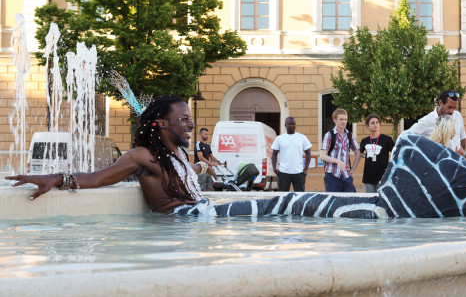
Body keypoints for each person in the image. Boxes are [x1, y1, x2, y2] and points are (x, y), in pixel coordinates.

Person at [7, 95, 219, 213]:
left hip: (200, 215)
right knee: (252, 209)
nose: (191, 124)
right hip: (185, 218)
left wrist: (204, 168)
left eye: (189, 118)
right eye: (184, 119)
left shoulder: (177, 155)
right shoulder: (142, 155)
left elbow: (187, 169)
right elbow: (98, 177)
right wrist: (56, 178)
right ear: (162, 123)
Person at [401, 90, 466, 156]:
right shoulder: (427, 121)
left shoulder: (457, 116)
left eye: (454, 108)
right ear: (440, 103)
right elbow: (404, 136)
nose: (452, 111)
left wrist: (462, 156)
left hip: (456, 163)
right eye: (449, 107)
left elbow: (463, 138)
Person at [320, 108, 361, 192]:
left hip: (346, 176)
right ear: (335, 120)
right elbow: (322, 156)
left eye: (345, 119)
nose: (344, 122)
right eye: (341, 119)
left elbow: (358, 153)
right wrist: (337, 161)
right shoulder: (329, 135)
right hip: (332, 175)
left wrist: (352, 170)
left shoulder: (349, 135)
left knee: (351, 201)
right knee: (334, 203)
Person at [271, 116, 312, 192]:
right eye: (289, 124)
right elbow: (274, 154)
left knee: (299, 197)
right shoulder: (279, 138)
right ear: (285, 125)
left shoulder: (302, 137)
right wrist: (274, 168)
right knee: (282, 197)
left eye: (293, 124)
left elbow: (308, 153)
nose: (292, 126)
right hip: (283, 173)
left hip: (299, 172)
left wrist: (306, 169)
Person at [359, 114, 395, 193]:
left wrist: (391, 166)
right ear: (367, 126)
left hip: (384, 176)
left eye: (377, 122)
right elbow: (359, 153)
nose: (375, 125)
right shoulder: (365, 140)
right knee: (371, 201)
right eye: (372, 123)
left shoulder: (387, 139)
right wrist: (367, 156)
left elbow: (395, 153)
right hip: (369, 176)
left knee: (383, 201)